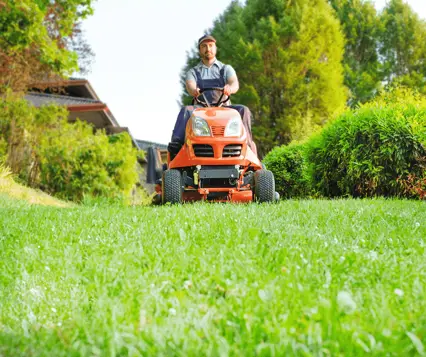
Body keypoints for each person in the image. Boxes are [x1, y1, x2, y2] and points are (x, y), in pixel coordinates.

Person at [169, 34, 258, 156]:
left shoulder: (226, 69)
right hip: (201, 109)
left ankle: (247, 144)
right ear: (200, 50)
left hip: (224, 108)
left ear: (215, 48)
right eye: (204, 46)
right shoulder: (193, 72)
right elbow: (190, 85)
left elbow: (234, 84)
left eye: (211, 45)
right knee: (186, 110)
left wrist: (229, 88)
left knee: (243, 110)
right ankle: (177, 144)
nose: (208, 49)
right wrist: (194, 90)